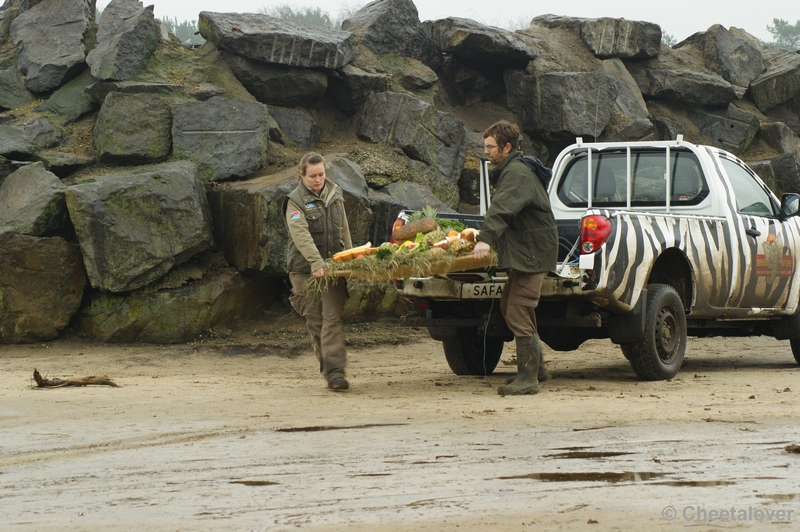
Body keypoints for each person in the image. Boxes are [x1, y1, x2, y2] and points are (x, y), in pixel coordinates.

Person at [472, 121, 559, 396]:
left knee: (519, 307)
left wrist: (485, 239)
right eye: (484, 146)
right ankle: (538, 369)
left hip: (533, 251)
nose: (485, 152)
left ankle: (528, 378)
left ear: (506, 147)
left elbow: (502, 209)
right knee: (510, 303)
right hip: (529, 250)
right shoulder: (512, 171)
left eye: (490, 147)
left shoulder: (517, 175)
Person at [283, 152, 352, 391]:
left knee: (332, 318)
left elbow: (344, 228)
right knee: (316, 321)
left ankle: (336, 375)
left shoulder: (335, 194)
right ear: (301, 175)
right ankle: (329, 370)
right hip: (304, 271)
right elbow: (299, 233)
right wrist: (315, 262)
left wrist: (351, 260)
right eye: (312, 176)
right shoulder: (294, 201)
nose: (318, 179)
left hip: (333, 268)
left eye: (321, 174)